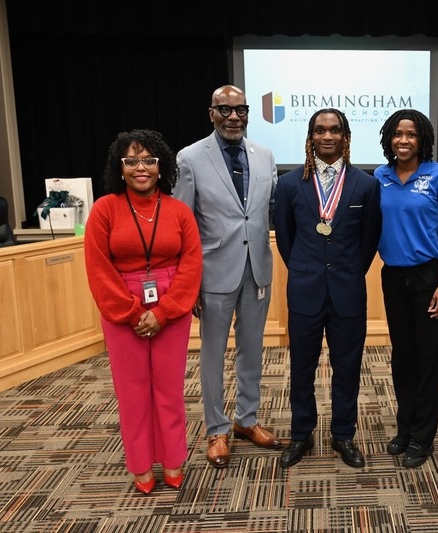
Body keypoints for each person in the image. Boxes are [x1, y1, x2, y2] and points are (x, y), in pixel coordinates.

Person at [84, 129, 202, 494]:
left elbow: (191, 263)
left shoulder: (179, 211)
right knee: (132, 391)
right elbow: (99, 267)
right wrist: (133, 313)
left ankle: (172, 459)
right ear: (120, 167)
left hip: (171, 304)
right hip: (122, 305)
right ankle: (139, 464)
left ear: (160, 166)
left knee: (168, 389)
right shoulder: (105, 209)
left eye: (148, 160)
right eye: (131, 160)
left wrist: (164, 311)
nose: (140, 167)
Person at [173, 85, 282, 469]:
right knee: (213, 355)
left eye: (241, 110)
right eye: (225, 109)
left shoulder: (265, 154)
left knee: (252, 350)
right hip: (213, 274)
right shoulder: (189, 158)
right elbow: (182, 224)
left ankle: (246, 420)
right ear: (211, 113)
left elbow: (266, 211)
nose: (234, 116)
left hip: (258, 270)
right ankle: (216, 428)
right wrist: (189, 283)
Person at [273, 108, 382, 469]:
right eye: (320, 130)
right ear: (311, 137)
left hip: (348, 290)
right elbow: (286, 240)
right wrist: (307, 270)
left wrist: (347, 272)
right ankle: (301, 434)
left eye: (335, 130)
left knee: (347, 367)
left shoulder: (365, 185)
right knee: (301, 367)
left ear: (346, 136)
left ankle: (343, 434)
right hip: (304, 289)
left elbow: (369, 241)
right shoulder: (289, 184)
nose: (328, 136)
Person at [374, 109, 438, 468]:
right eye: (397, 134)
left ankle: (424, 436)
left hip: (429, 278)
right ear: (388, 139)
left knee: (429, 358)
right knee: (402, 357)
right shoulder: (379, 176)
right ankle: (405, 428)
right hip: (392, 277)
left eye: (411, 134)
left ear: (422, 138)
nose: (403, 140)